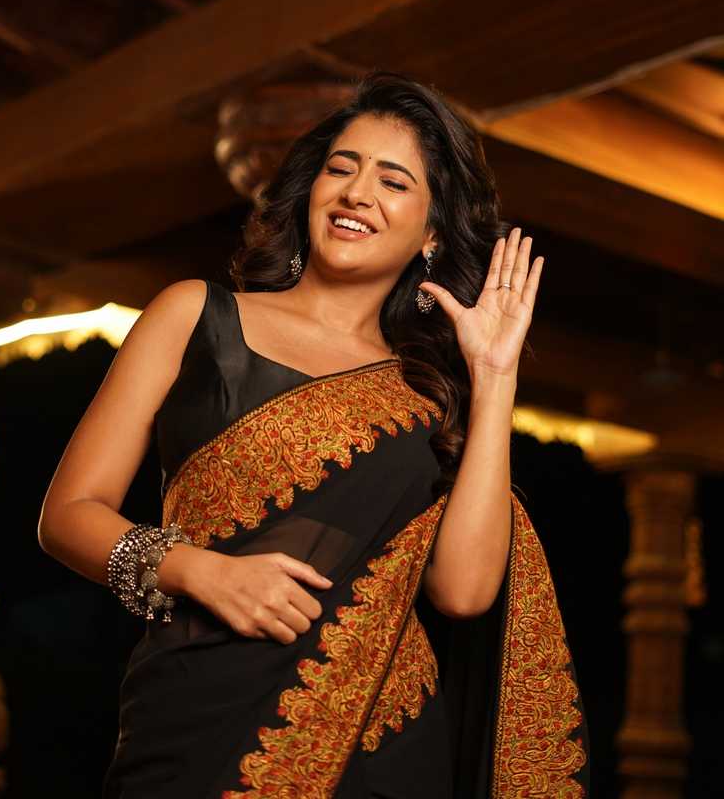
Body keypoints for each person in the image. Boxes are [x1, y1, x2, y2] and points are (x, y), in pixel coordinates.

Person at [38, 70, 589, 797]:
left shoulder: (429, 398)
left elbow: (463, 593)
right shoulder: (197, 318)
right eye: (341, 168)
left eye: (393, 181)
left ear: (432, 232)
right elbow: (67, 516)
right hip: (191, 715)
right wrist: (201, 572)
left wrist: (494, 378)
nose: (357, 193)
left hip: (376, 750)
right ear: (311, 190)